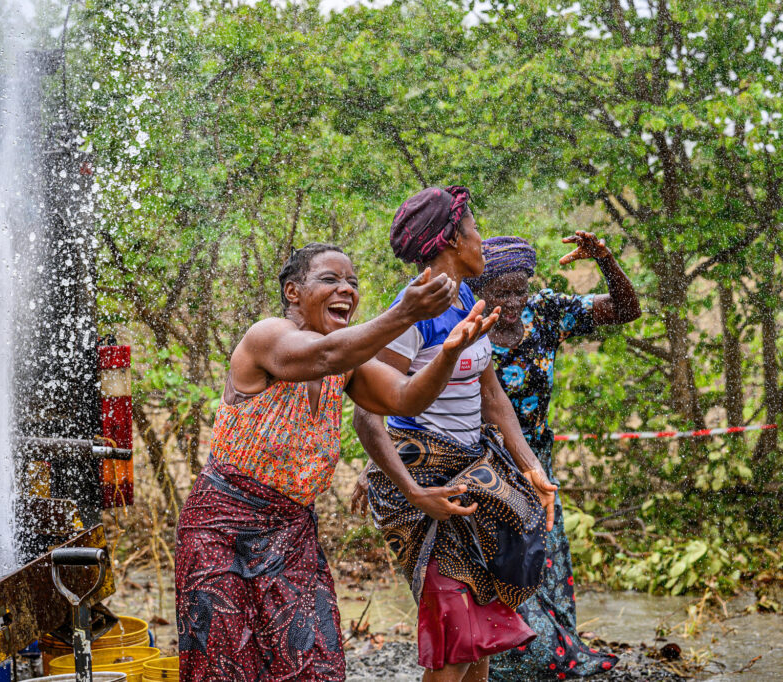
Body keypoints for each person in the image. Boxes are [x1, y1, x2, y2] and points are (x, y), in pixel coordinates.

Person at [175, 242, 499, 682]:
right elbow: (323, 355)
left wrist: (447, 354)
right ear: (293, 292)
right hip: (222, 528)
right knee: (227, 665)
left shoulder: (346, 363)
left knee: (313, 663)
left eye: (352, 282)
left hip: (291, 531)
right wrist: (404, 313)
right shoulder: (268, 336)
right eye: (330, 279)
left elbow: (405, 397)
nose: (346, 289)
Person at [350, 186, 559, 682]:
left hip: (472, 479)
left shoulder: (465, 296)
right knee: (455, 646)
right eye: (474, 229)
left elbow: (492, 398)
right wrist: (413, 491)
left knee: (480, 642)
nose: (482, 239)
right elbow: (367, 415)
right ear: (450, 240)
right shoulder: (412, 311)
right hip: (428, 488)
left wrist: (532, 468)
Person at [463, 233, 639, 680]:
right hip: (480, 465)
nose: (515, 300)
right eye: (502, 291)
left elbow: (626, 311)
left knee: (542, 559)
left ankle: (545, 650)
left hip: (537, 460)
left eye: (520, 288)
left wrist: (605, 258)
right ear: (480, 289)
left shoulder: (545, 312)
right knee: (495, 563)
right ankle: (498, 658)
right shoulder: (464, 323)